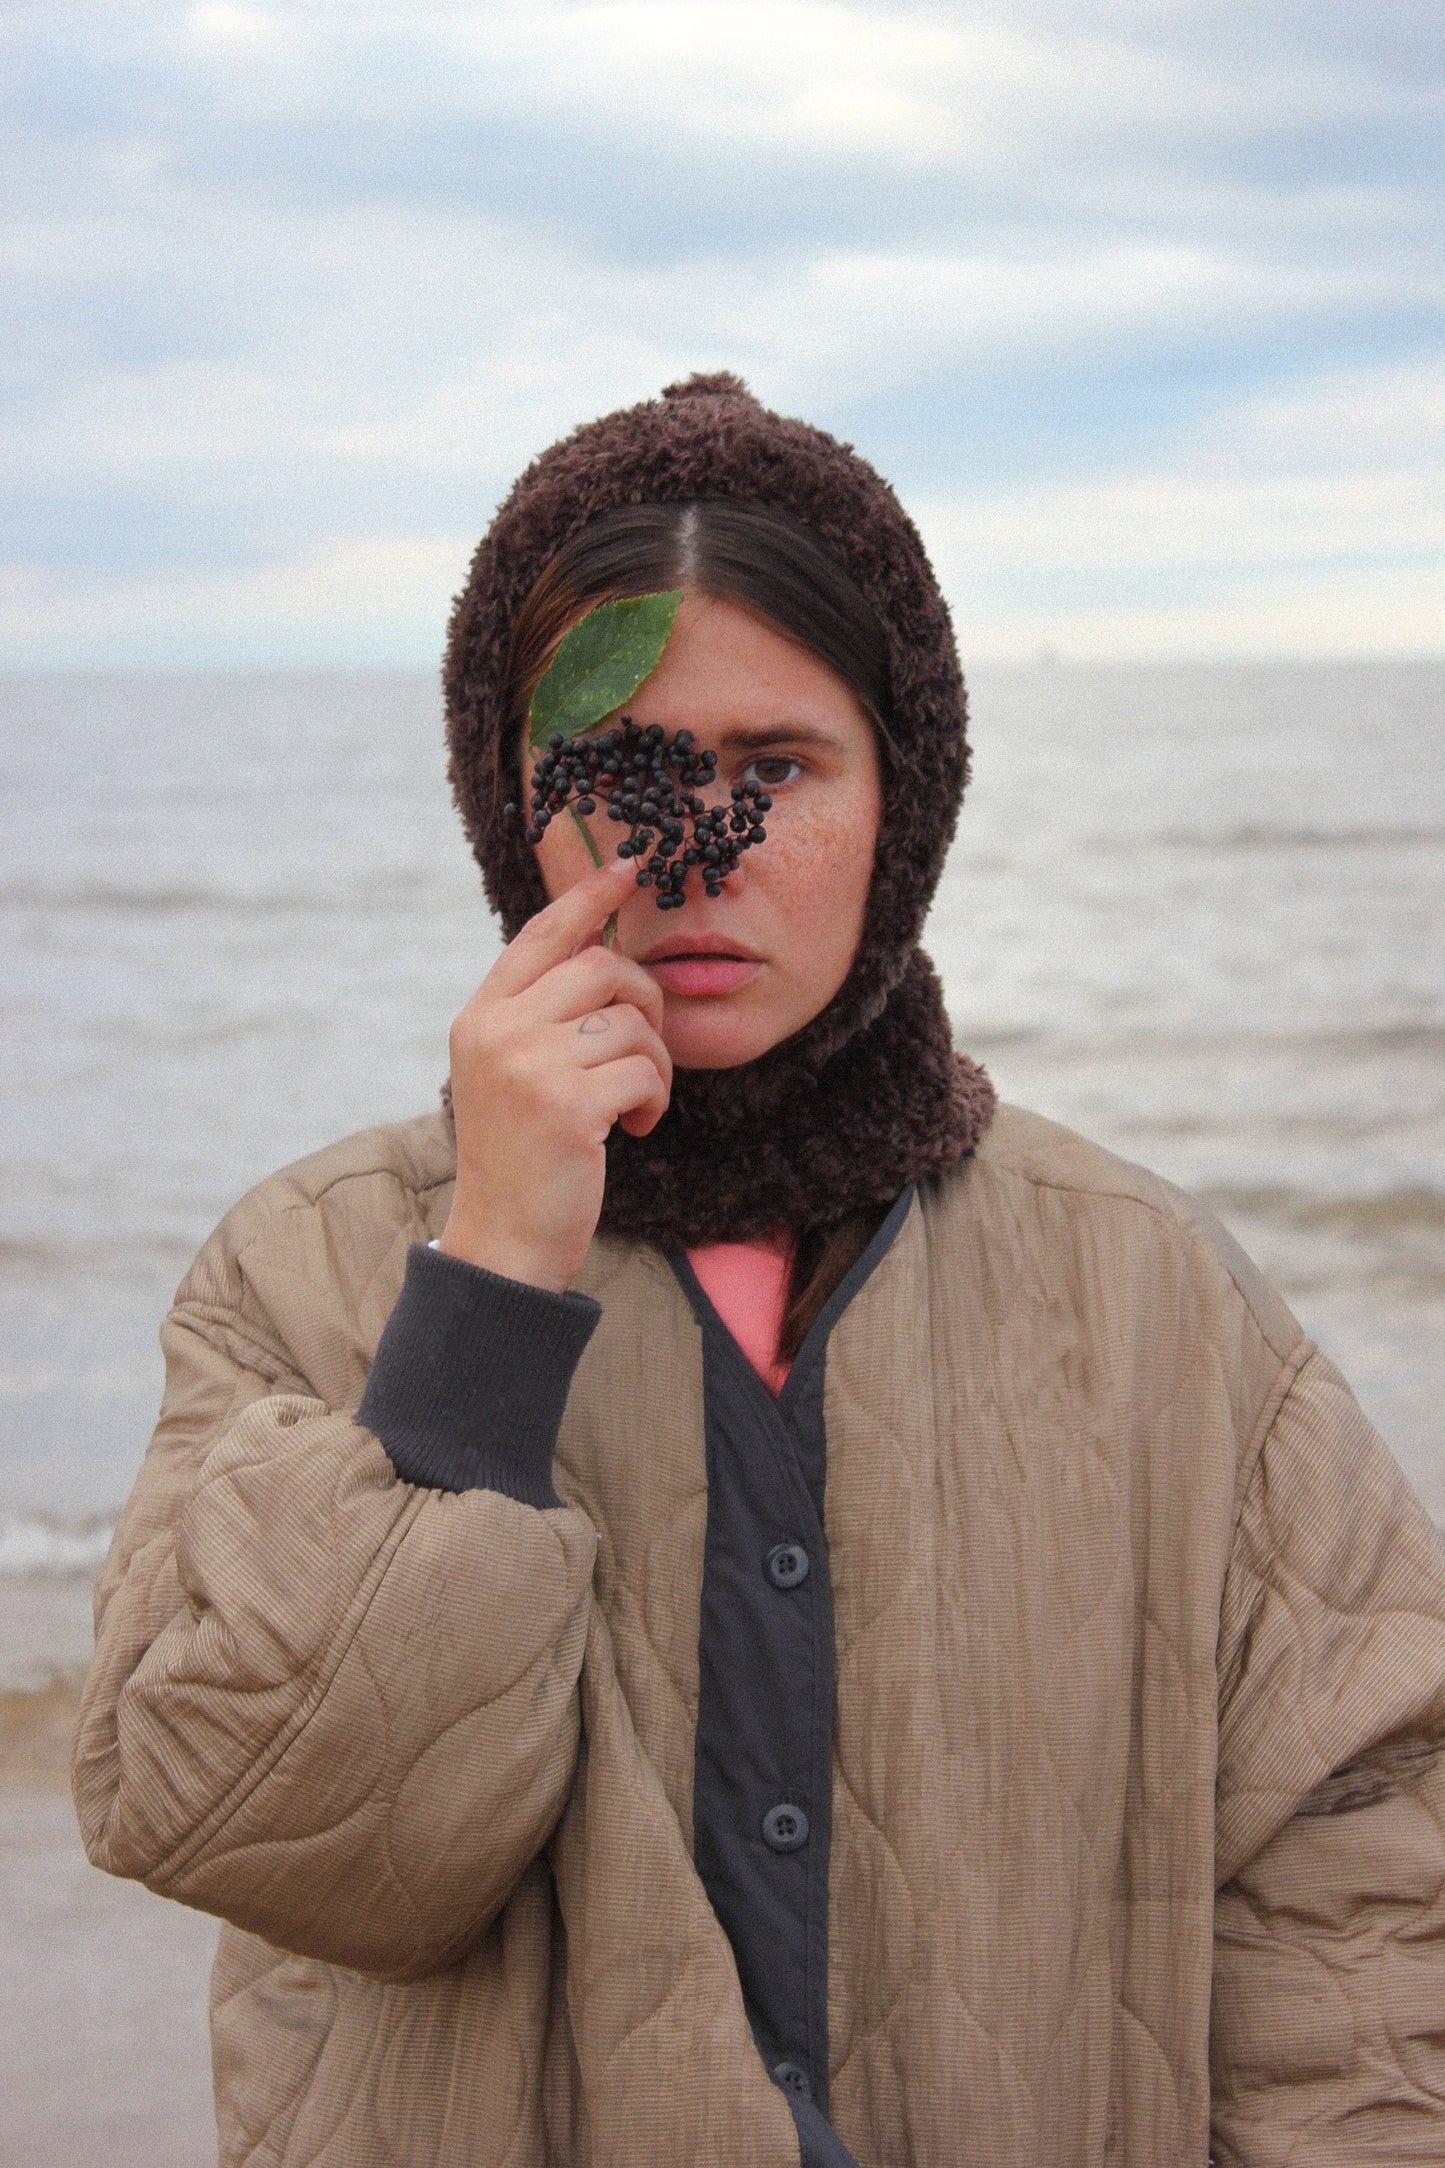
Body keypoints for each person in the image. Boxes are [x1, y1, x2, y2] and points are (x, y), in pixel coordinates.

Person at [74, 374, 1445, 2167]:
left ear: (907, 796)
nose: (689, 862)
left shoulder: (1152, 1292)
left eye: (773, 772)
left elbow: (1365, 1847)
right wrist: (488, 1271)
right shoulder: (316, 1267)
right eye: (618, 772)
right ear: (510, 803)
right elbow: (251, 1825)